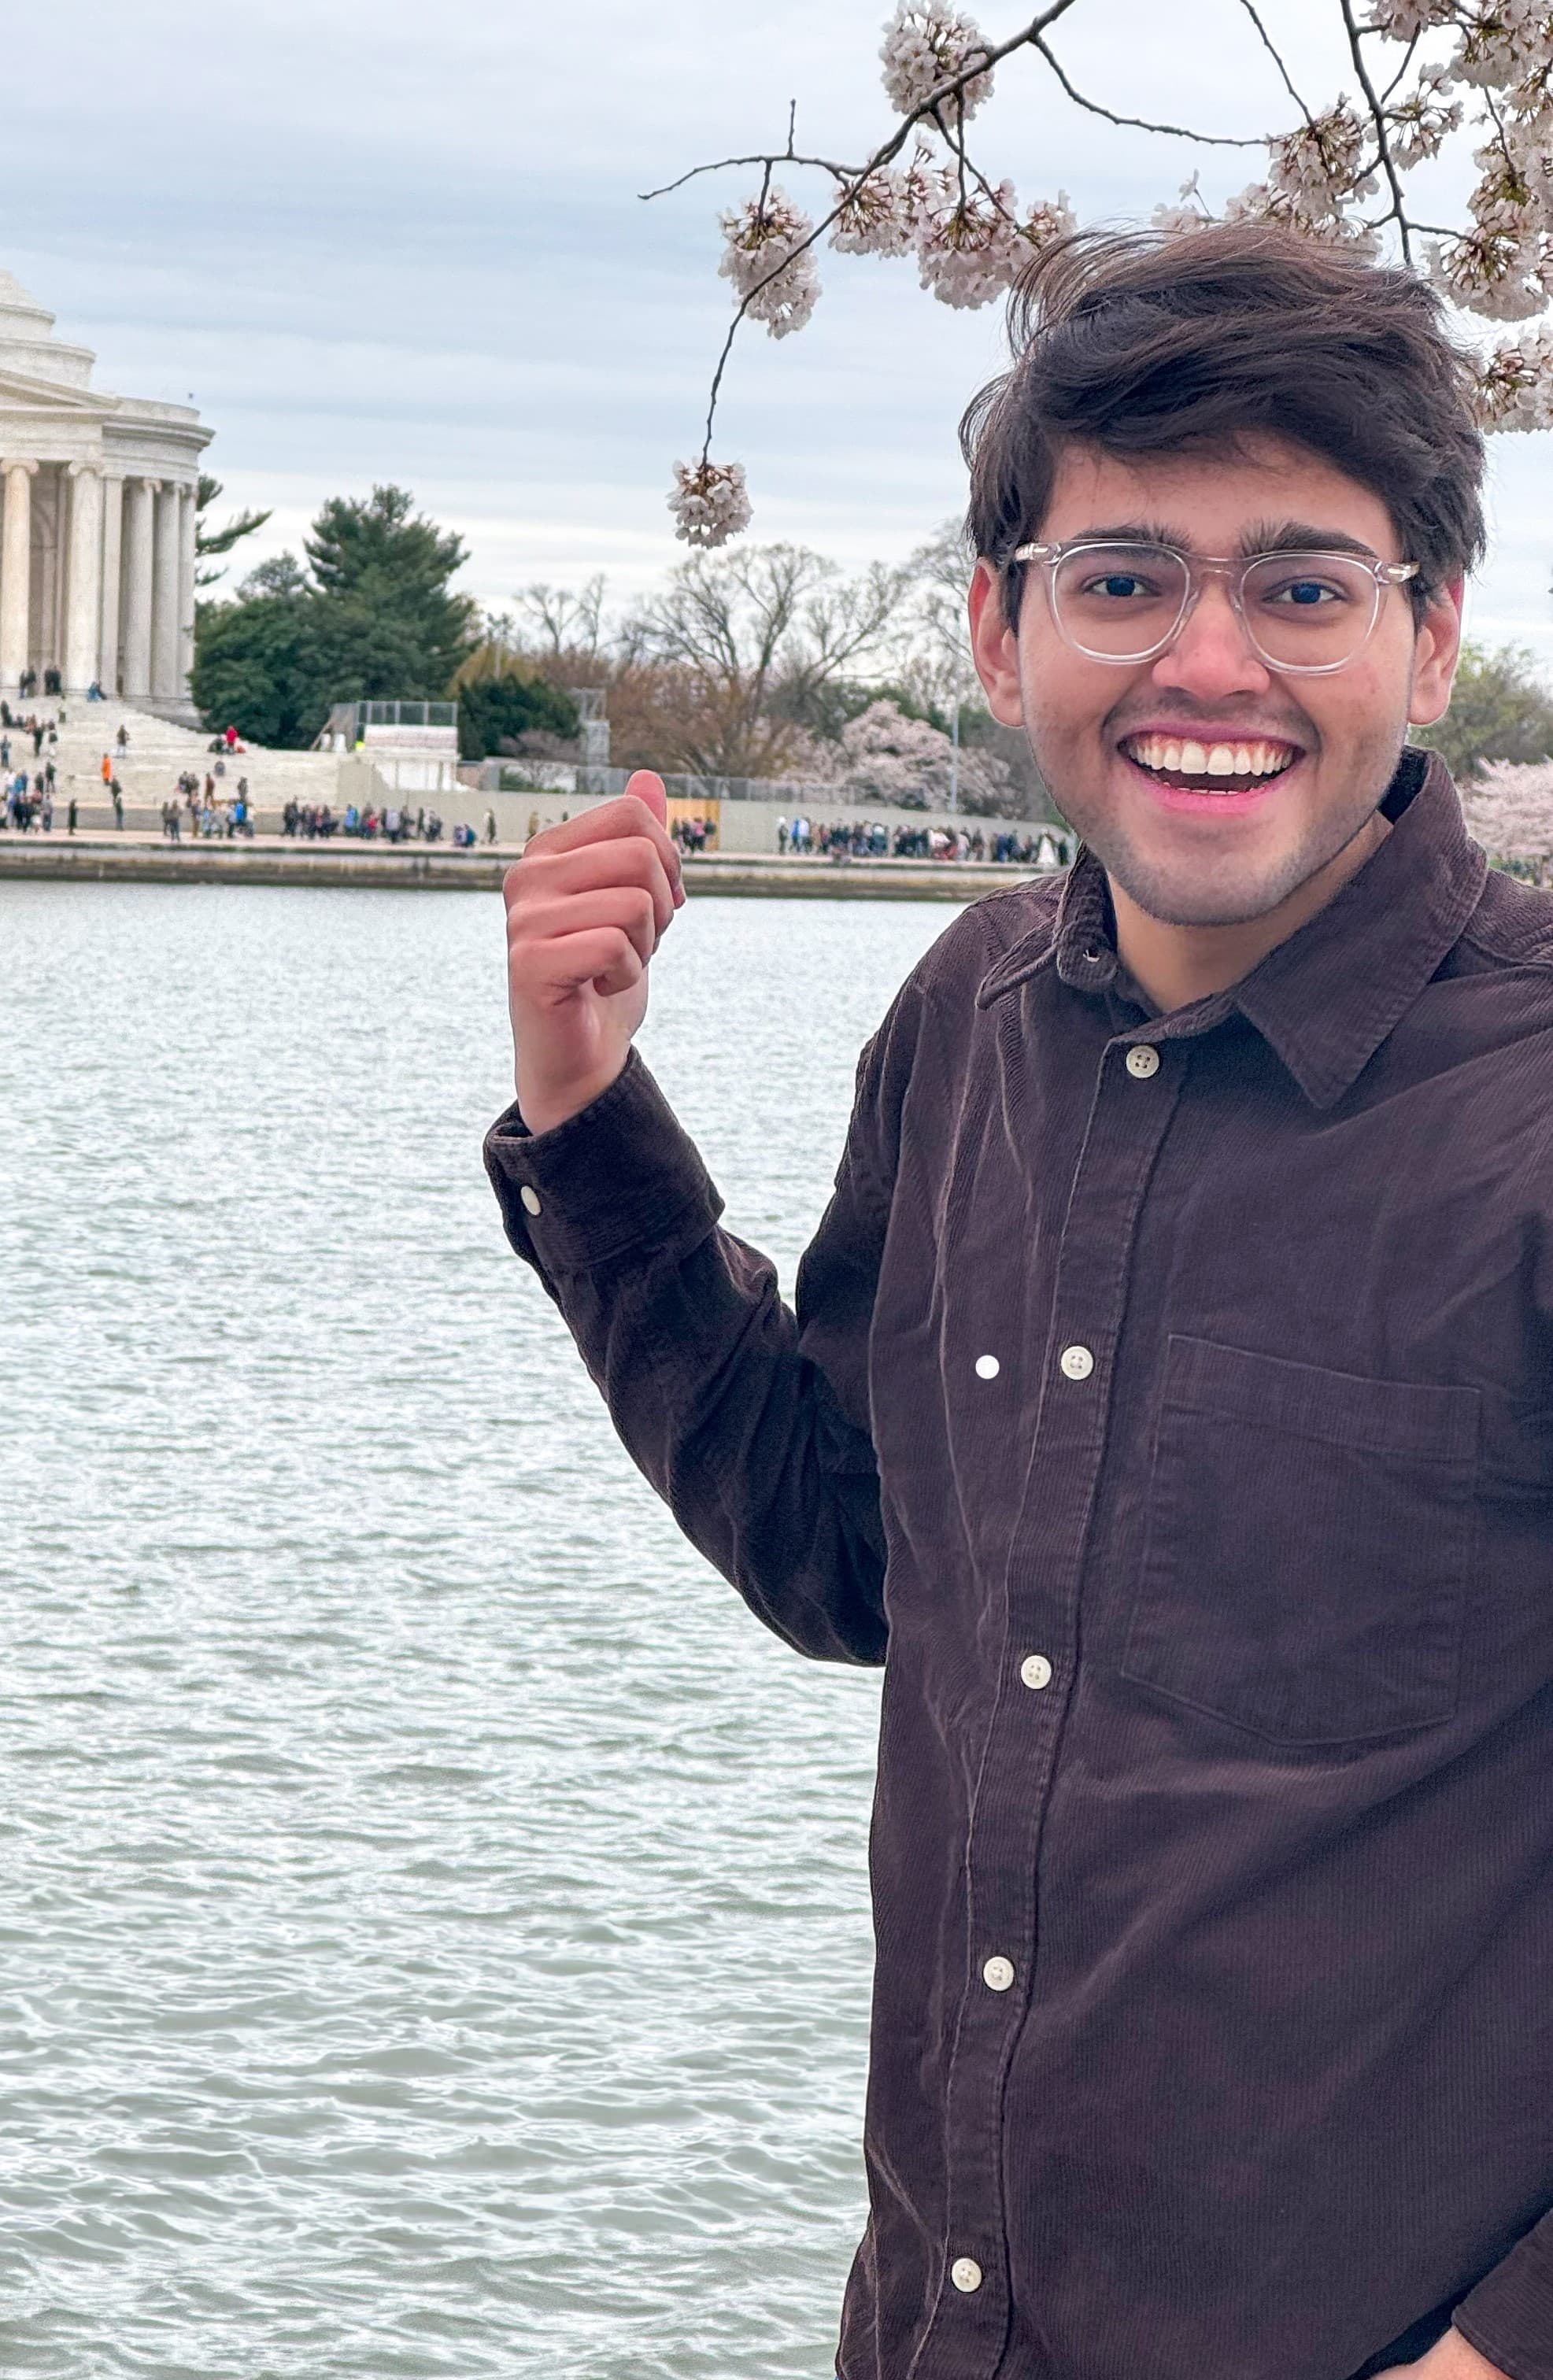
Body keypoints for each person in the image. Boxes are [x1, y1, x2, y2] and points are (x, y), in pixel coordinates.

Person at [483, 223, 1553, 2380]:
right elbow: (851, 1557)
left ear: (1430, 642)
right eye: (1127, 579)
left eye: (1306, 586)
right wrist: (585, 1114)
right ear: (1002, 631)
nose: (1211, 662)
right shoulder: (972, 1015)